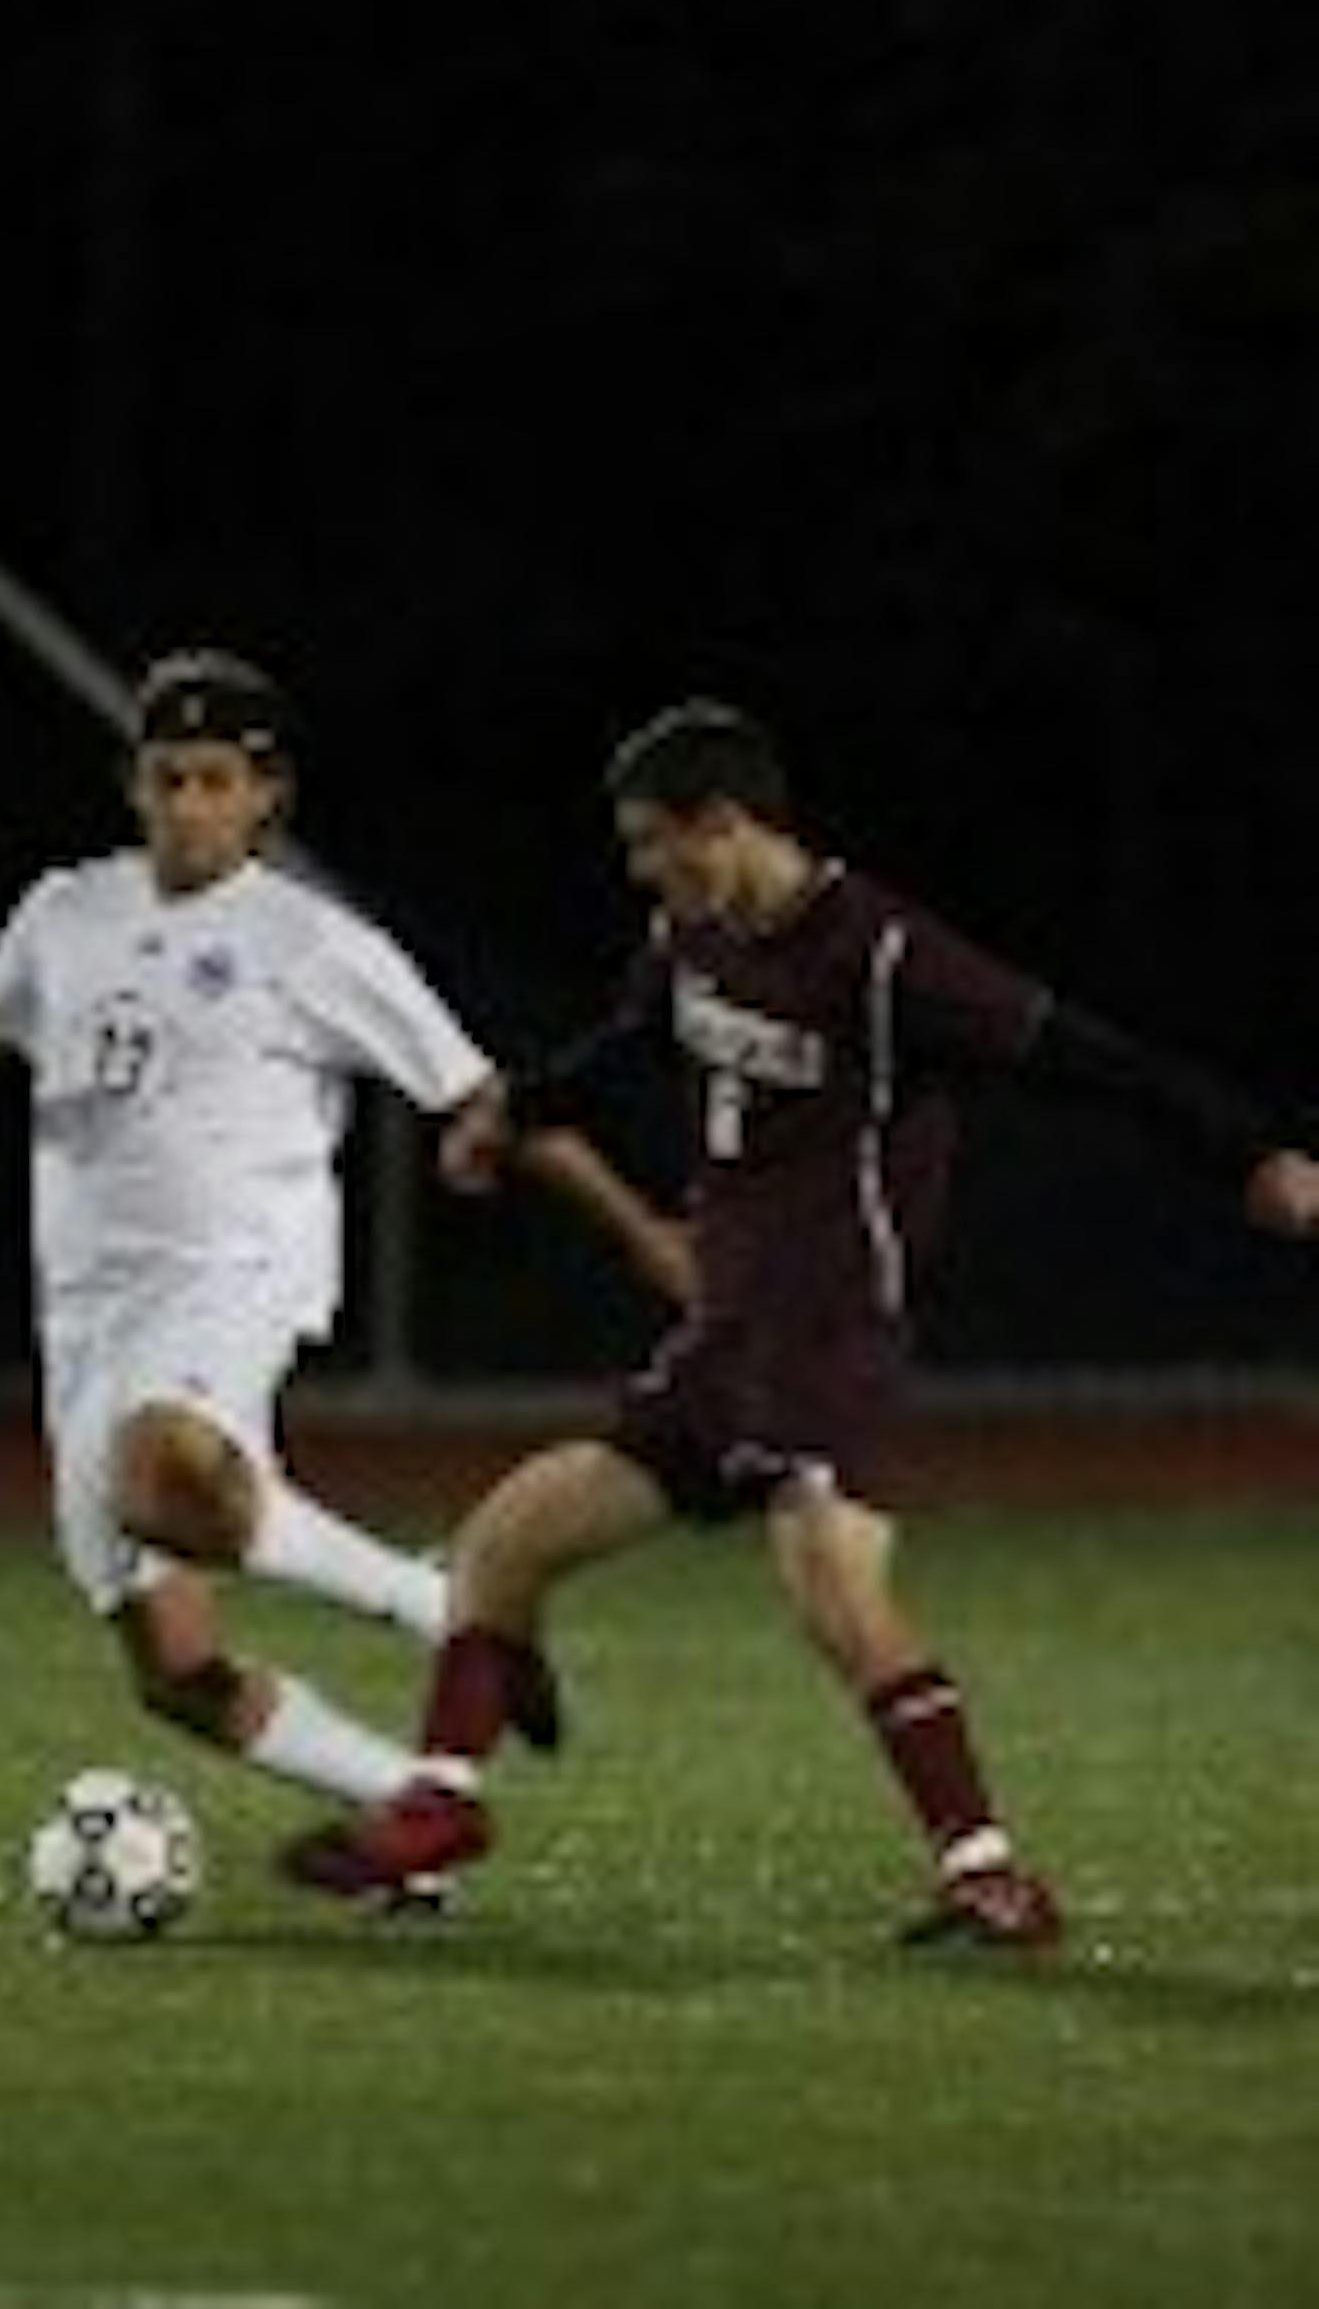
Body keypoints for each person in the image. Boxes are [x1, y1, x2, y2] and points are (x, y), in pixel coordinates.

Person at [281, 697, 1319, 1946]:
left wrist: (1246, 1153)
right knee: (504, 1541)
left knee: (830, 1586)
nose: (644, 870)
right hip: (724, 1341)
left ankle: (985, 1873)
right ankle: (438, 1813)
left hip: (829, 1333)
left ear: (723, 822)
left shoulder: (883, 957)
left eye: (654, 842)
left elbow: (1089, 1056)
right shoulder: (692, 936)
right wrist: (521, 1113)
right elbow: (631, 1042)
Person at [0, 647, 501, 1867]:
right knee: (175, 1671)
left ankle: (446, 1607)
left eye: (215, 780)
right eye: (167, 779)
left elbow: (466, 1079)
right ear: (134, 783)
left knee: (162, 1471)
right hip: (86, 1310)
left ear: (266, 794)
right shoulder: (67, 910)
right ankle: (414, 1805)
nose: (188, 805)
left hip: (233, 1274)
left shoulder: (309, 941)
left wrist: (475, 1134)